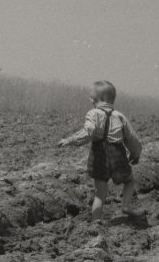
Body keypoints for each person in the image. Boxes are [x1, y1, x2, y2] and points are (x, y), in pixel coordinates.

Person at [57, 80, 144, 220]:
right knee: (129, 181)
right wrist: (135, 154)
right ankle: (126, 206)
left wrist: (70, 140)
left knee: (100, 195)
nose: (91, 100)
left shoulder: (93, 114)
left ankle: (96, 223)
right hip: (118, 157)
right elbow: (132, 139)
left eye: (92, 98)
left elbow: (89, 131)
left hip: (99, 158)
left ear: (98, 100)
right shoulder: (120, 116)